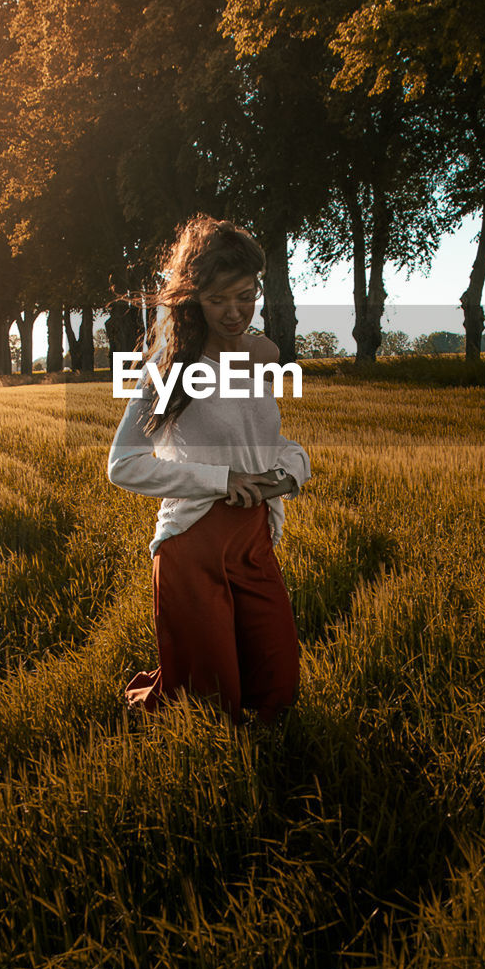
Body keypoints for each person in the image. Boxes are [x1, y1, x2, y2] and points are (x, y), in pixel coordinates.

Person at [107, 214, 310, 725]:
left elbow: (271, 442)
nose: (235, 312)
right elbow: (122, 465)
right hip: (194, 543)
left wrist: (288, 475)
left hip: (254, 539)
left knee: (277, 693)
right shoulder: (171, 368)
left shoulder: (260, 358)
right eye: (219, 299)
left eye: (246, 296)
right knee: (211, 709)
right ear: (193, 298)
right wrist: (222, 481)